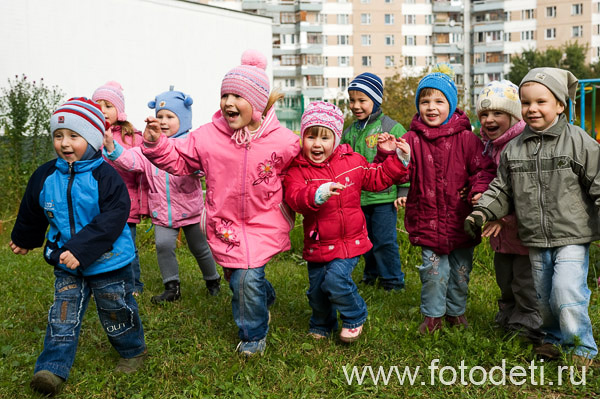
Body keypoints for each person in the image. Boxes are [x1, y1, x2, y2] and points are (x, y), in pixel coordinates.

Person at [141, 50, 300, 356]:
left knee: (246, 276)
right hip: (224, 223)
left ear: (256, 102)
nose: (228, 102)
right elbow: (177, 160)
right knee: (238, 276)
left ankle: (252, 335)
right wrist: (155, 144)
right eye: (224, 94)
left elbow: (302, 169)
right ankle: (262, 297)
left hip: (264, 220)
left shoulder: (282, 141)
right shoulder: (207, 137)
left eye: (237, 96)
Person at [9, 98, 147, 396]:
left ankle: (132, 350)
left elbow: (113, 218)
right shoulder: (45, 175)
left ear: (94, 139)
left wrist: (82, 249)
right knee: (63, 313)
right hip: (64, 260)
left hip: (108, 262)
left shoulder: (105, 177)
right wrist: (25, 238)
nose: (65, 143)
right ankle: (52, 369)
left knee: (116, 310)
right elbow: (33, 210)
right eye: (58, 136)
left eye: (74, 136)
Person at [465, 68, 600, 365]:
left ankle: (581, 348)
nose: (532, 109)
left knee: (565, 290)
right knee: (543, 296)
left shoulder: (578, 141)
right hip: (535, 238)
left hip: (573, 235)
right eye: (526, 103)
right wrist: (483, 211)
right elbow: (502, 189)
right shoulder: (515, 149)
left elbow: (597, 181)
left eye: (541, 102)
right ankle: (550, 339)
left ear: (560, 105)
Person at [284, 101, 410, 342]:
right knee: (317, 291)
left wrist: (398, 159)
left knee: (335, 279)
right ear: (303, 139)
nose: (317, 144)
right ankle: (322, 323)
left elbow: (377, 178)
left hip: (349, 240)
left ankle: (354, 314)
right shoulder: (297, 170)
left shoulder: (352, 161)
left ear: (337, 139)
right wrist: (317, 194)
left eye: (325, 137)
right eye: (311, 137)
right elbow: (295, 198)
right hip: (318, 242)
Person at [403, 65, 497, 334]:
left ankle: (456, 311)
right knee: (432, 272)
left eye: (438, 101)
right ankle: (433, 315)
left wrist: (479, 190)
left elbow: (484, 168)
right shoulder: (411, 139)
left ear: (451, 105)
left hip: (461, 221)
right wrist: (393, 155)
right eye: (424, 101)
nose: (431, 107)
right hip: (427, 220)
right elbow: (400, 170)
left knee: (460, 272)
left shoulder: (467, 139)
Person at [103, 87, 221, 303]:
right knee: (163, 246)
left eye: (170, 116)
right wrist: (111, 146)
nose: (164, 121)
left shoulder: (190, 145)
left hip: (190, 210)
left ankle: (212, 280)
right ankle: (172, 287)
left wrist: (197, 169)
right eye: (160, 116)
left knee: (200, 248)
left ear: (183, 119)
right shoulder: (148, 148)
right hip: (162, 211)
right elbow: (129, 160)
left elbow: (203, 166)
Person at [474, 80, 543, 342]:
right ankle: (509, 313)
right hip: (501, 231)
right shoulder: (491, 146)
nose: (489, 119)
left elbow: (527, 192)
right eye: (484, 114)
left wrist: (505, 216)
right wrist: (479, 195)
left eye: (497, 113)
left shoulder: (524, 146)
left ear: (514, 115)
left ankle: (528, 323)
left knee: (525, 280)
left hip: (522, 231)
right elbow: (485, 175)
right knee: (504, 276)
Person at [341, 73, 408, 291]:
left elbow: (406, 160)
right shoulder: (350, 131)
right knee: (365, 240)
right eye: (352, 100)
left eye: (362, 100)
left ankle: (392, 280)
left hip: (383, 196)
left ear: (376, 100)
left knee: (384, 240)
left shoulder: (391, 127)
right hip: (358, 198)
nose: (356, 106)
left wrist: (403, 190)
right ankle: (371, 275)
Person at [93, 81, 148, 295]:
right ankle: (103, 281)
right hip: (97, 202)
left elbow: (137, 167)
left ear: (119, 110)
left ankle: (134, 285)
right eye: (97, 105)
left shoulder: (132, 137)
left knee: (127, 245)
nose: (102, 110)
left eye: (108, 105)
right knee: (101, 243)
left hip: (125, 202)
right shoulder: (90, 135)